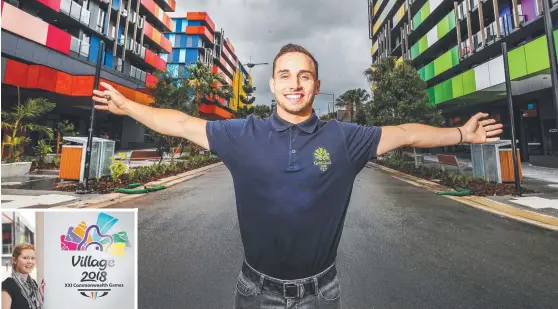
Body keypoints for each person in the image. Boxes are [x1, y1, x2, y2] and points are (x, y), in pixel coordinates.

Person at [92, 43, 503, 309]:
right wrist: (128, 106)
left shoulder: (344, 138)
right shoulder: (241, 135)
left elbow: (406, 132)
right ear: (272, 84)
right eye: (285, 75)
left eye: (304, 76)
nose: (295, 84)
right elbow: (181, 123)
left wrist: (462, 134)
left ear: (315, 84)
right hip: (255, 292)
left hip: (321, 294)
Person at [2, 243, 44, 309]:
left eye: (32, 258)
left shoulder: (33, 284)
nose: (30, 261)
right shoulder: (8, 285)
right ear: (14, 260)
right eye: (25, 258)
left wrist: (40, 295)